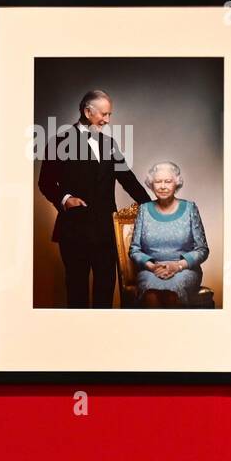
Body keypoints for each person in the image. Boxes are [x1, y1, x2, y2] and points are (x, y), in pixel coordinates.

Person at [37, 89, 151, 307]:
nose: (107, 120)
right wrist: (65, 198)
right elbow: (46, 183)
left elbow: (128, 179)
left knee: (105, 293)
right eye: (104, 114)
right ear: (88, 111)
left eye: (109, 115)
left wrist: (151, 207)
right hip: (74, 232)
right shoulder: (59, 141)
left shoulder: (109, 143)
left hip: (107, 233)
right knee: (77, 293)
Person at [128, 160, 209, 307]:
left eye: (168, 181)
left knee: (173, 293)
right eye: (158, 181)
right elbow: (134, 250)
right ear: (151, 184)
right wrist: (152, 267)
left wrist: (178, 266)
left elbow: (202, 249)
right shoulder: (144, 210)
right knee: (150, 293)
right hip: (151, 271)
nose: (163, 186)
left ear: (176, 183)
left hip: (184, 270)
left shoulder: (190, 208)